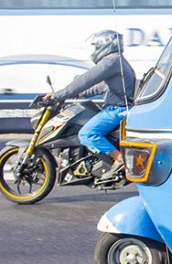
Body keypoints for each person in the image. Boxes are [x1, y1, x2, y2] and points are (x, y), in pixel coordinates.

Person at [43, 30, 136, 179]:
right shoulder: (117, 61)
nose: (95, 50)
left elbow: (86, 80)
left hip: (117, 110)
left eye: (96, 46)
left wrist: (59, 96)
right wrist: (80, 94)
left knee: (87, 134)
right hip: (119, 108)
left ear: (104, 44)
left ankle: (119, 159)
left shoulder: (111, 60)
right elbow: (102, 86)